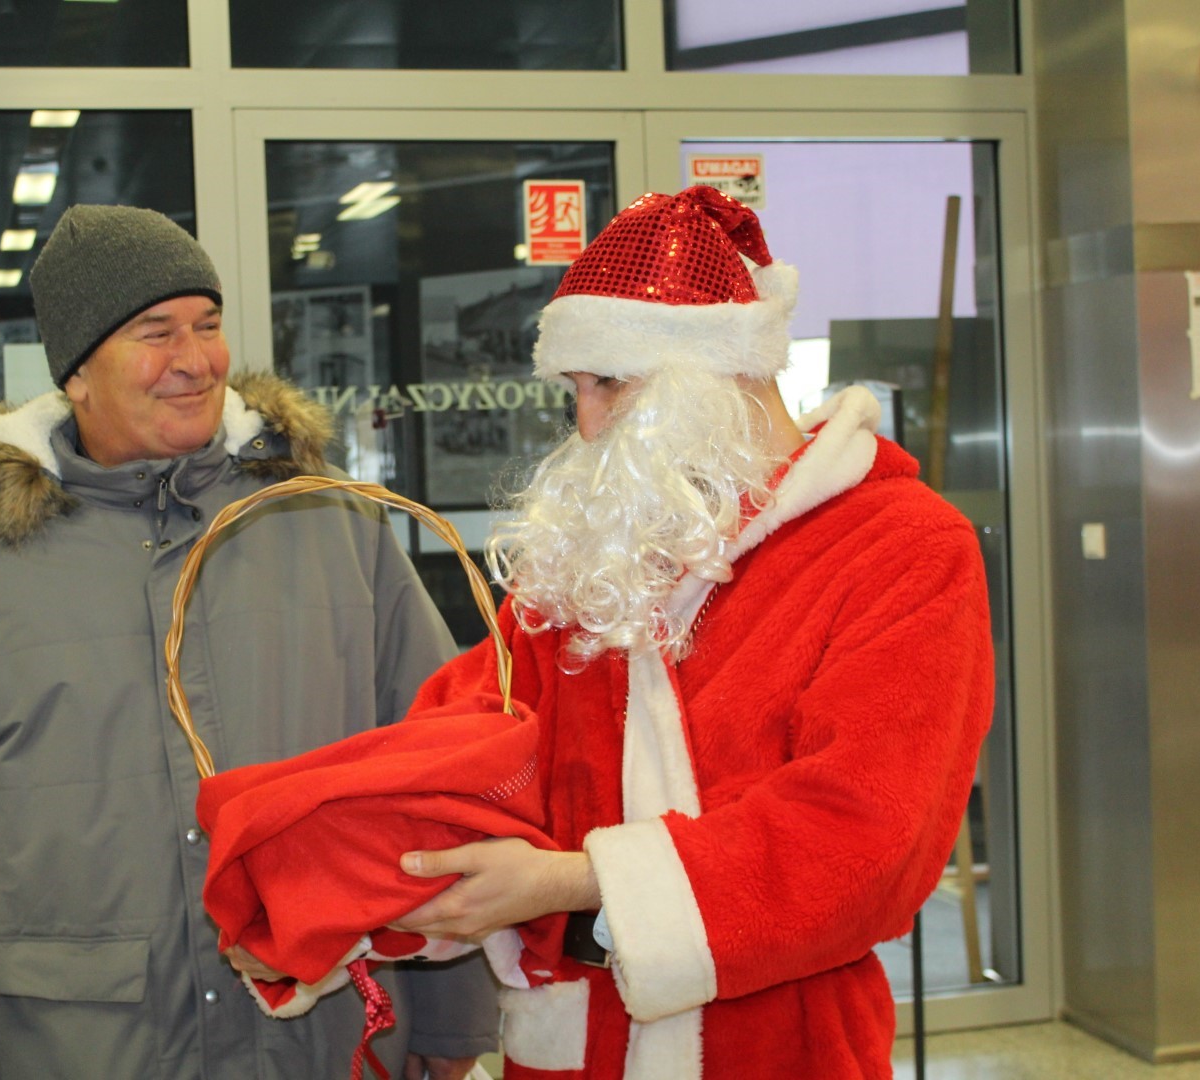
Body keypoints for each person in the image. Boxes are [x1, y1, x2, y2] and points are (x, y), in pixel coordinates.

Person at [0, 205, 497, 1080]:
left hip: (327, 1034)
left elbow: (442, 768)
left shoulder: (332, 522)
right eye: (156, 333)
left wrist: (454, 1022)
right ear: (77, 371)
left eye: (207, 325)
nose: (195, 360)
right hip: (89, 1044)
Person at [391, 186, 995, 1079]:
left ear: (720, 371)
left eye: (611, 383)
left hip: (780, 1043)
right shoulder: (599, 549)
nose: (587, 424)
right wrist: (323, 867)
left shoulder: (901, 546)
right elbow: (467, 735)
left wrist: (577, 881)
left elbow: (865, 842)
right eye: (574, 389)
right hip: (571, 1043)